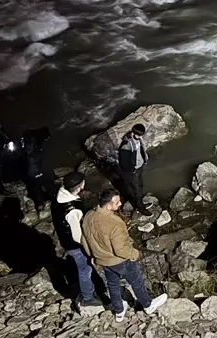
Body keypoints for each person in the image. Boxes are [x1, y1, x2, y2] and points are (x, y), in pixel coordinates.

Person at [81, 188, 168, 321]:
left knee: (112, 284)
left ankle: (119, 311)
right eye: (117, 203)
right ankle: (148, 305)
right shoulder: (115, 223)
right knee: (136, 281)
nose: (121, 204)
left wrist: (92, 255)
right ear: (108, 205)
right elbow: (120, 250)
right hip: (119, 260)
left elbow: (84, 239)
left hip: (103, 259)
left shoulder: (88, 216)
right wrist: (134, 253)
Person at [51, 171, 102, 314]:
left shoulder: (59, 197)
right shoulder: (72, 210)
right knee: (85, 269)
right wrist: (89, 248)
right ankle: (87, 297)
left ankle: (88, 292)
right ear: (80, 187)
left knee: (83, 267)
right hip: (75, 244)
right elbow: (76, 235)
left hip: (64, 240)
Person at [116, 124, 148, 213]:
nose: (140, 137)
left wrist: (144, 160)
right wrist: (132, 170)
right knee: (136, 190)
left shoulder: (138, 138)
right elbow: (124, 162)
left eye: (141, 135)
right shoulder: (126, 144)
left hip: (139, 166)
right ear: (133, 133)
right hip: (132, 171)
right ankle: (140, 208)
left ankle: (140, 202)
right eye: (138, 135)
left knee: (140, 185)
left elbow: (141, 150)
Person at [22, 127, 52, 206]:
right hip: (34, 170)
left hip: (33, 168)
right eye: (46, 138)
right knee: (37, 185)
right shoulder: (31, 145)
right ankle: (40, 202)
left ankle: (41, 198)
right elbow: (31, 158)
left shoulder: (32, 140)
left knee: (38, 184)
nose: (47, 139)